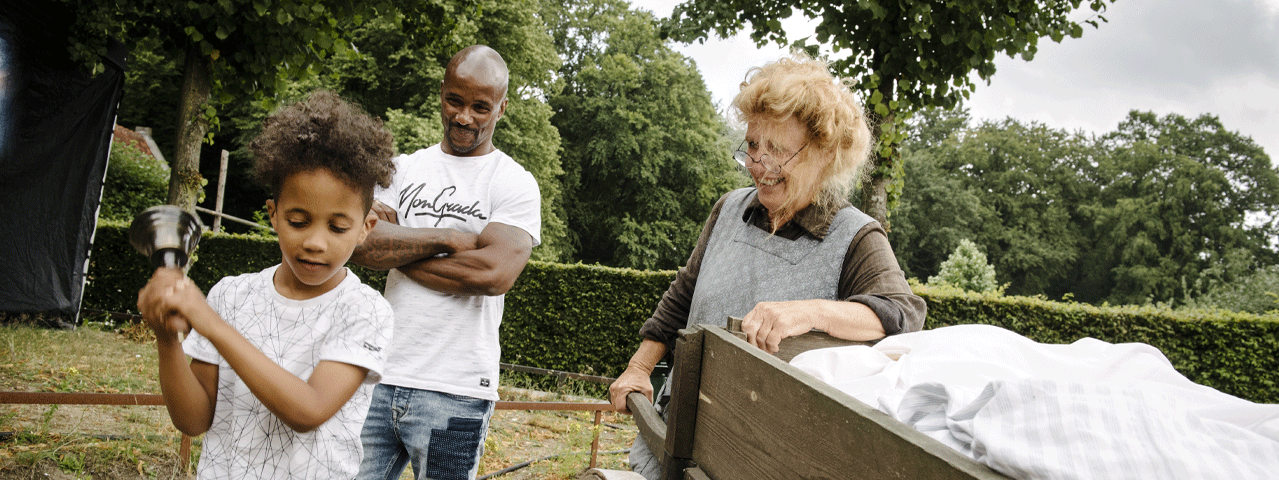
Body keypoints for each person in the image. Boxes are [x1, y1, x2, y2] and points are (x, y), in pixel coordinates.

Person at [606, 52, 928, 478]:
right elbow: (683, 296)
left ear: (824, 154)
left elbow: (902, 316)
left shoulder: (855, 236)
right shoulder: (729, 209)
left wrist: (808, 311)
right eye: (753, 146)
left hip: (762, 458)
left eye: (777, 151)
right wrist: (639, 367)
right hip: (676, 432)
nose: (759, 166)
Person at [136, 89, 398, 479]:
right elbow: (193, 421)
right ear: (273, 215)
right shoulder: (231, 294)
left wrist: (211, 325)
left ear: (365, 228)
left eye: (337, 226)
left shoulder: (365, 310)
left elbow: (308, 410)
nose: (314, 241)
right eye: (297, 221)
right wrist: (166, 339)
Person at [351, 45, 541, 480]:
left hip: (457, 389)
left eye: (480, 107)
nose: (463, 117)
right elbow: (362, 246)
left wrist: (398, 253)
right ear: (441, 93)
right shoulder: (401, 169)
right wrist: (449, 239)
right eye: (455, 101)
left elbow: (492, 274)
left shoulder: (513, 182)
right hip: (377, 375)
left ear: (502, 108)